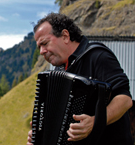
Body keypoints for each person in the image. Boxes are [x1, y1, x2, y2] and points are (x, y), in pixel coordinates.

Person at [27, 13, 133, 145]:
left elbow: (125, 99)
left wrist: (95, 121)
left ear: (65, 36)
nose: (42, 51)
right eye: (39, 47)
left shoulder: (97, 56)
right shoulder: (58, 72)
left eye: (45, 43)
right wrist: (40, 136)